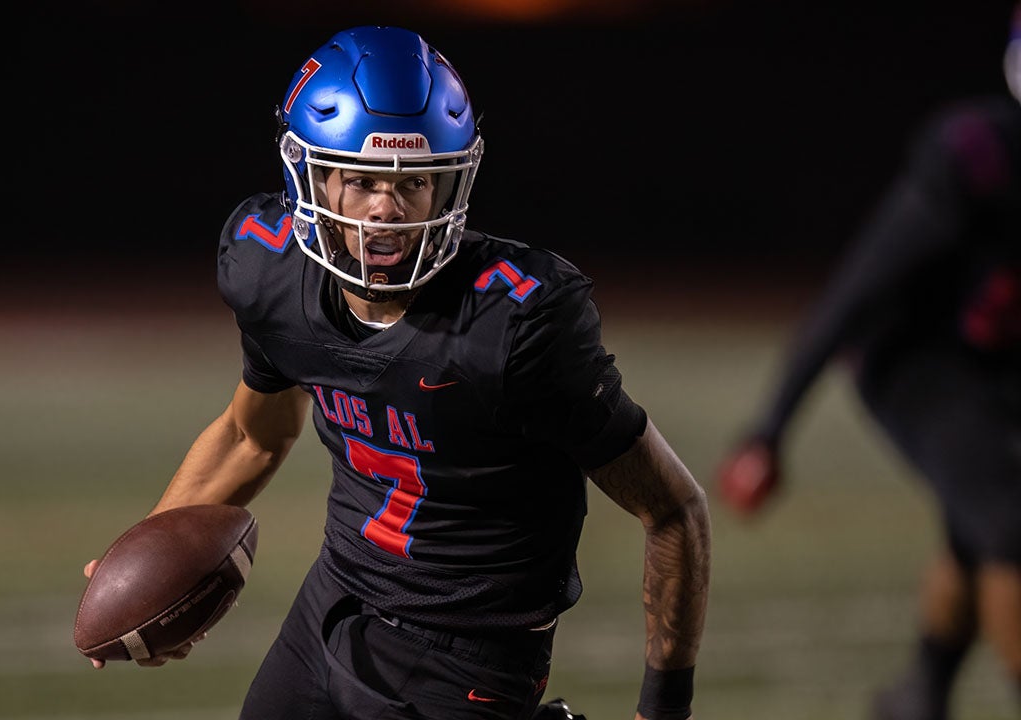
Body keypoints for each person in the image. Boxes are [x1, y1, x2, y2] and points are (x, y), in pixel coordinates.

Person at [85, 25, 711, 720]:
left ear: (450, 186)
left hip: (469, 653)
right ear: (312, 177)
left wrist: (666, 710)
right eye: (360, 181)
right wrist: (149, 557)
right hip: (335, 602)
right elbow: (251, 437)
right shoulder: (273, 276)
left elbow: (673, 509)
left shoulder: (514, 326)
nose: (387, 207)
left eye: (414, 181)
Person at [714, 9, 1021, 720]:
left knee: (981, 522)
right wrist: (771, 428)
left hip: (996, 361)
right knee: (1008, 522)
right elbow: (857, 290)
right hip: (914, 360)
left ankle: (919, 697)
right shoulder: (981, 156)